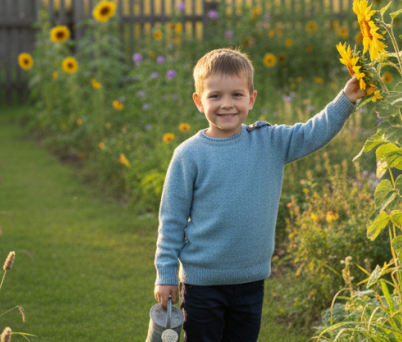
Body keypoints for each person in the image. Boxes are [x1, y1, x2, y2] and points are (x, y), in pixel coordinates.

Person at [153, 48, 366, 341]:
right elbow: (172, 219)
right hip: (202, 283)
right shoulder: (188, 155)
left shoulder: (270, 141)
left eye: (236, 95)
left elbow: (313, 132)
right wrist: (165, 275)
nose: (226, 104)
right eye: (215, 96)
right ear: (199, 102)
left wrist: (347, 99)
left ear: (251, 99)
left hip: (251, 281)